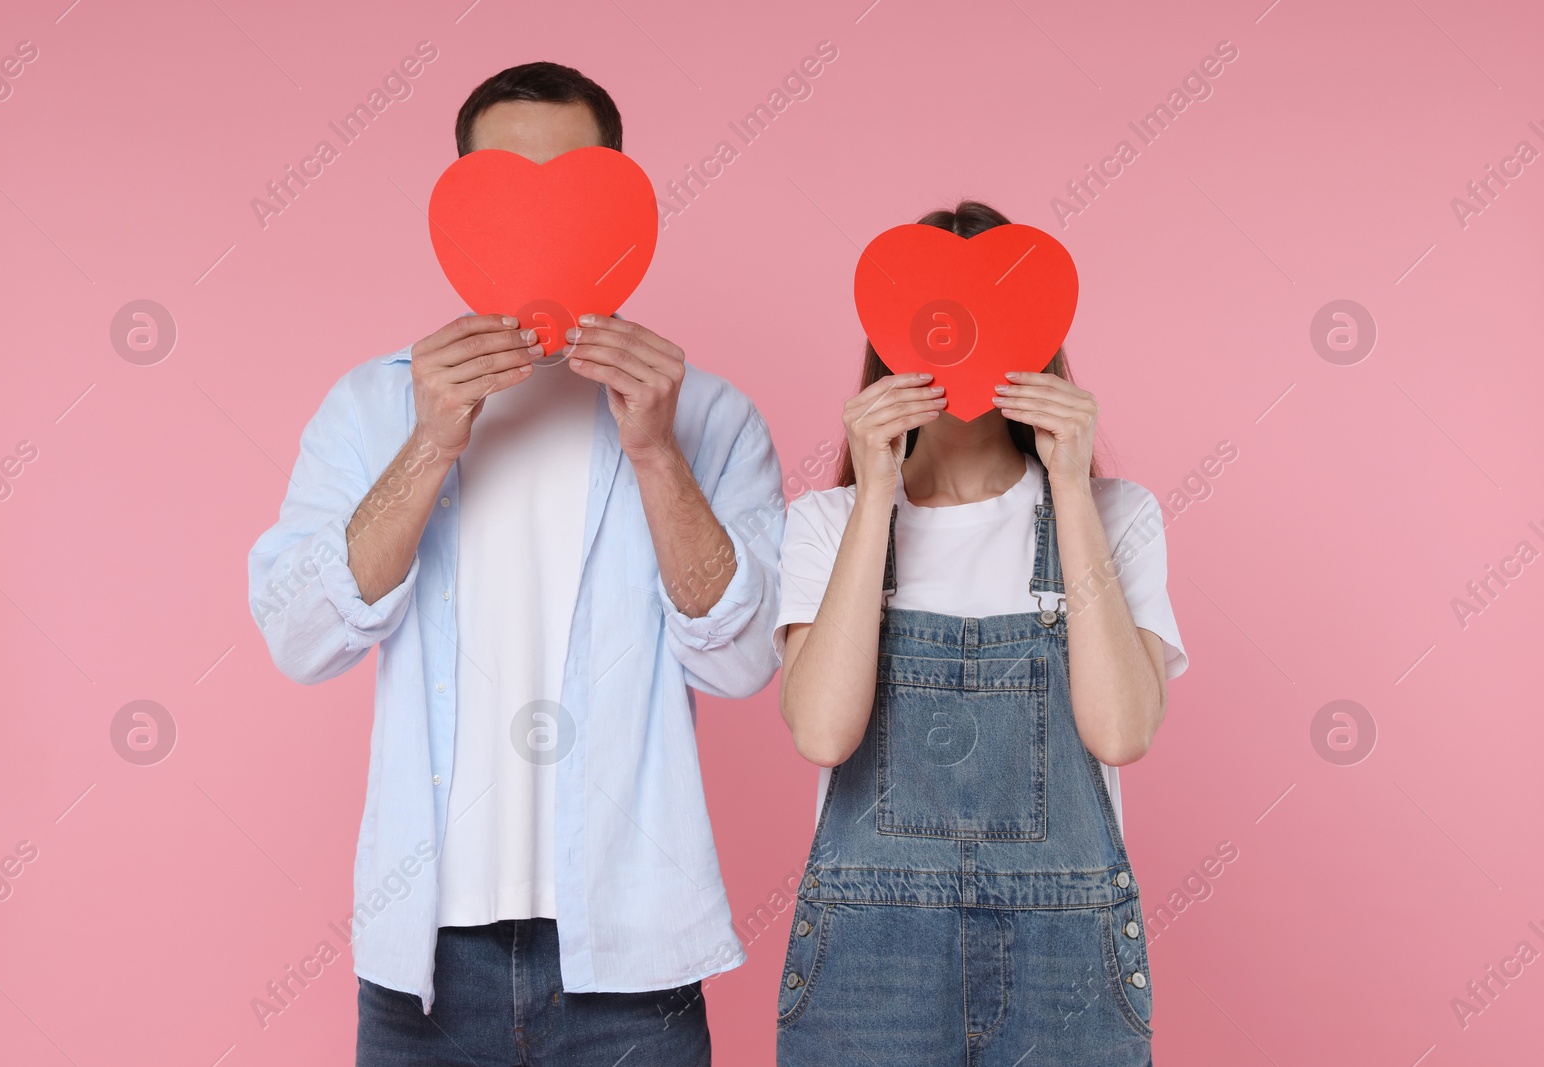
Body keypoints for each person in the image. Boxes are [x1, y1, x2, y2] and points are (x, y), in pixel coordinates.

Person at [247, 61, 784, 1067]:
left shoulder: (705, 413)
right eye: (503, 187)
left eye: (573, 186)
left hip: (634, 967)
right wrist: (430, 439)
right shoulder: (373, 406)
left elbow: (747, 658)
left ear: (622, 198)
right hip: (427, 970)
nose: (540, 223)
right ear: (457, 204)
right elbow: (298, 634)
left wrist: (658, 453)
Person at [772, 201, 1188, 1064]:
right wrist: (878, 492)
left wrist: (1070, 488)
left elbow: (1121, 730)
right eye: (933, 323)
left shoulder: (1119, 516)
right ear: (892, 341)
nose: (961, 346)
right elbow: (822, 728)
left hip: (1066, 956)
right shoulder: (828, 522)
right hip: (868, 960)